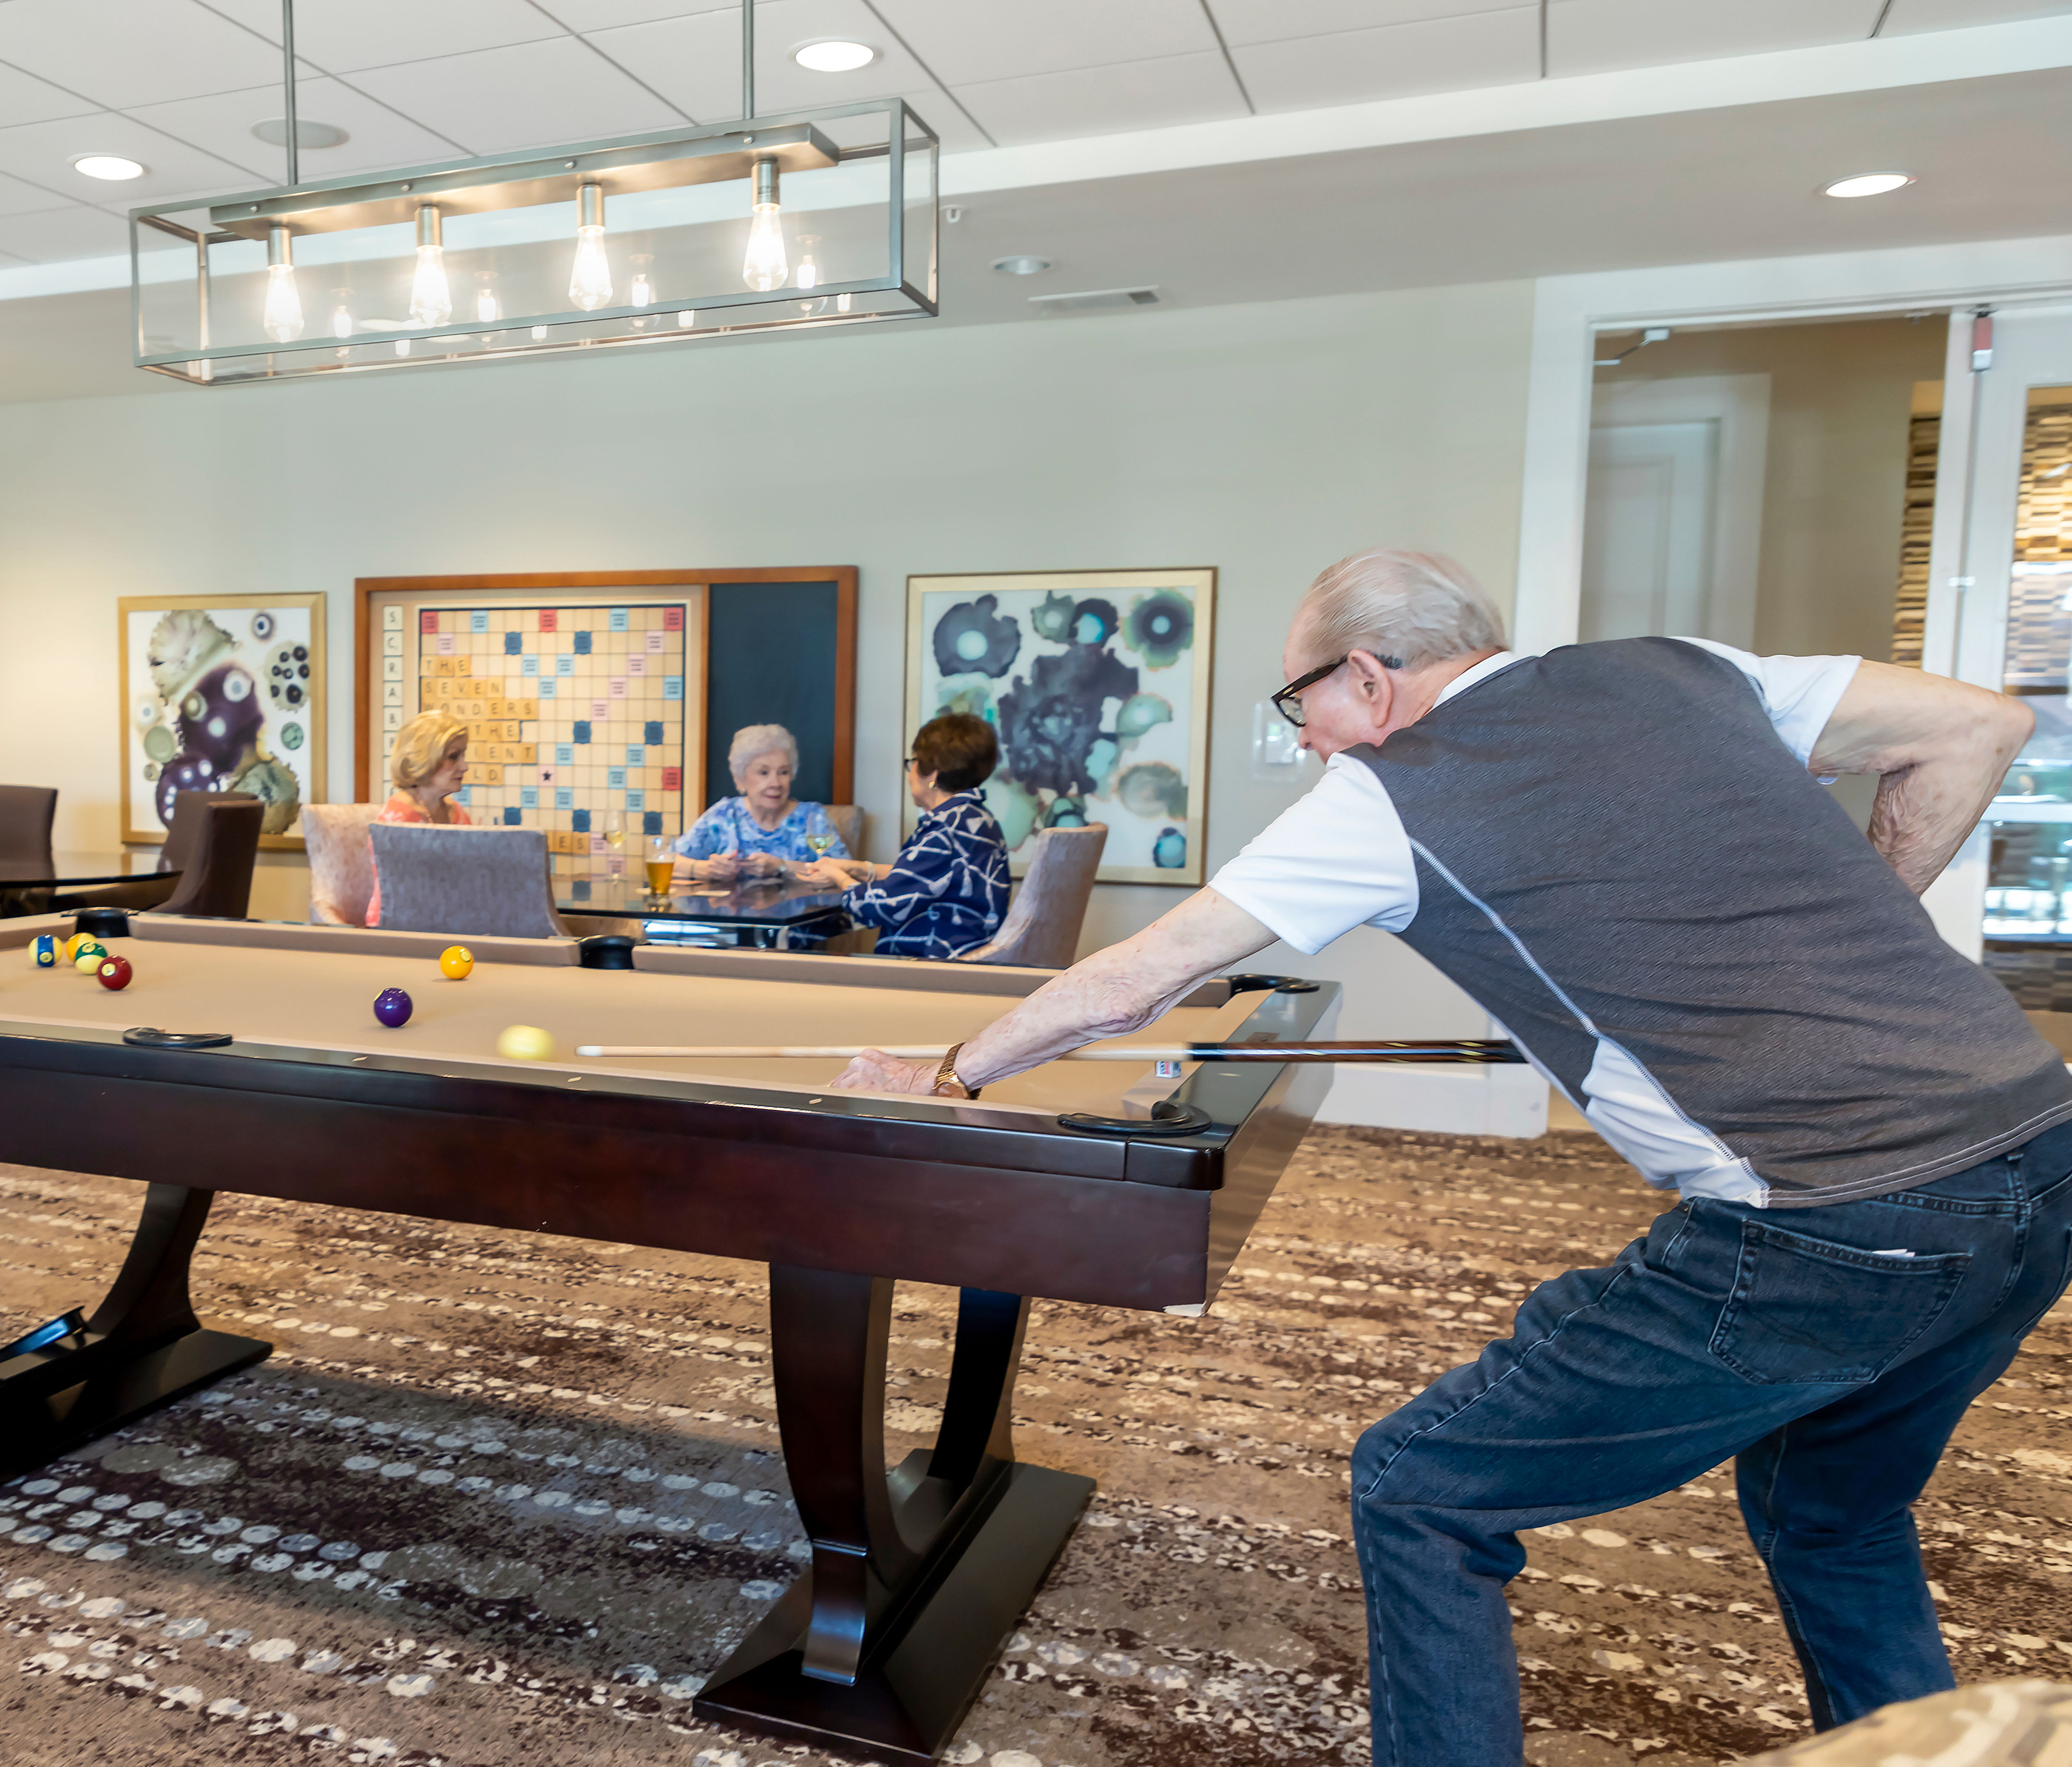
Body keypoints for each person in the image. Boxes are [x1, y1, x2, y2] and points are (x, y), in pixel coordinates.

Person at [829, 548, 2072, 1763]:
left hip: (1831, 1217)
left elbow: (1140, 975)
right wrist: (1840, 960)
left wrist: (948, 1073)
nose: (1307, 737)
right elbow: (1979, 726)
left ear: (1367, 677)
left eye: (1300, 702)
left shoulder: (1389, 790)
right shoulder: (1676, 668)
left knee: (1424, 1487)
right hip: (2038, 1151)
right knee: (1834, 1512)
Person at [802, 713, 1010, 959]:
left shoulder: (944, 829)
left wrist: (838, 878)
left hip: (933, 964)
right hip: (968, 953)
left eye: (913, 763)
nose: (909, 773)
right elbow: (927, 878)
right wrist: (856, 868)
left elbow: (881, 908)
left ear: (933, 774)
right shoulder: (977, 819)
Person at [673, 724, 845, 884]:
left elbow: (845, 873)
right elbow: (668, 862)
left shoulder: (813, 818)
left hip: (804, 916)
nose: (776, 783)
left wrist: (783, 867)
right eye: (764, 773)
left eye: (783, 772)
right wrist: (704, 869)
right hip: (733, 915)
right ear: (740, 778)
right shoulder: (724, 815)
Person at [365, 709, 470, 928]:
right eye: (453, 756)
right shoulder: (397, 819)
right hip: (398, 930)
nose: (465, 766)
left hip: (448, 925)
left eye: (463, 755)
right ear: (425, 759)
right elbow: (405, 897)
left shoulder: (458, 814)